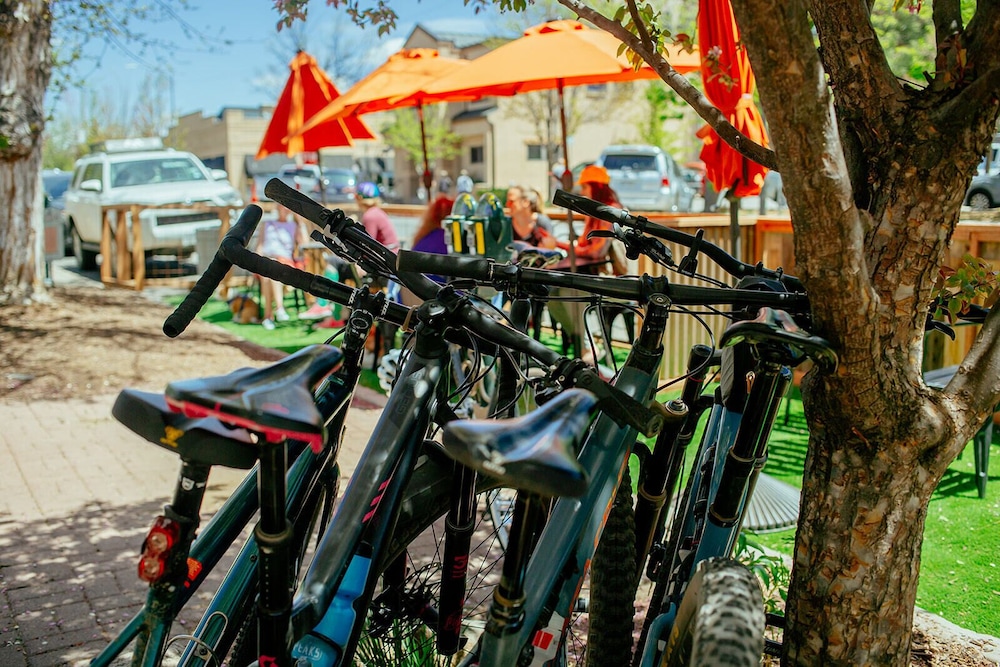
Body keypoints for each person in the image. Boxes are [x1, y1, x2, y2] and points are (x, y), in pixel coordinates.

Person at [555, 164, 619, 266]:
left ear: (597, 187)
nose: (582, 192)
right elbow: (583, 243)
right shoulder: (594, 211)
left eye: (584, 187)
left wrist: (559, 244)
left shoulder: (611, 212)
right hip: (591, 266)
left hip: (604, 270)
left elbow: (596, 252)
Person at [257, 204, 307, 330]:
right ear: (278, 207)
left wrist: (301, 223)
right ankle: (279, 309)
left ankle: (268, 317)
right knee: (269, 272)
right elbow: (260, 246)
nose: (285, 209)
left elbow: (305, 245)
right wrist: (256, 262)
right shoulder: (267, 224)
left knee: (271, 272)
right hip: (266, 261)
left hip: (284, 261)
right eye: (283, 206)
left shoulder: (293, 225)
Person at [355, 181, 399, 253]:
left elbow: (367, 245)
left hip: (386, 256)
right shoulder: (376, 211)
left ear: (359, 198)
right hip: (392, 253)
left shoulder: (370, 216)